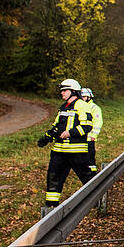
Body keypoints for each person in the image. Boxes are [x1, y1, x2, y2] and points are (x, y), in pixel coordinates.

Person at [37, 78, 96, 208]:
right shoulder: (63, 108)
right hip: (59, 151)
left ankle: (97, 200)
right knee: (53, 177)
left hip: (76, 152)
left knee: (87, 177)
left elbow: (87, 126)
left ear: (73, 91)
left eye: (64, 91)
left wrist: (70, 133)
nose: (62, 93)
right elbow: (56, 126)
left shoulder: (81, 105)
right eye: (62, 91)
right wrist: (47, 138)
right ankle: (51, 206)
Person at [80, 87, 103, 173]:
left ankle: (92, 173)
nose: (82, 99)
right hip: (81, 136)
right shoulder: (81, 106)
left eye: (84, 97)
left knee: (90, 156)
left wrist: (94, 135)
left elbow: (98, 122)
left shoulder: (94, 108)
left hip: (90, 137)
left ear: (89, 97)